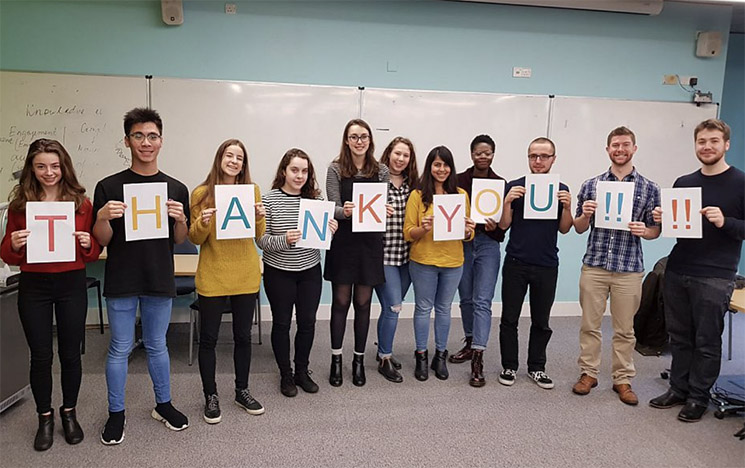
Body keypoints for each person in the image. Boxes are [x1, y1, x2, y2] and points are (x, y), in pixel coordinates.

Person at [93, 108, 190, 445]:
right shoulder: (108, 186)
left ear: (161, 141)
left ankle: (163, 405)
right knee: (119, 348)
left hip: (159, 277)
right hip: (122, 277)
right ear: (127, 141)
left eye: (152, 136)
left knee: (157, 345)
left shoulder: (176, 188)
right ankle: (115, 412)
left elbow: (179, 240)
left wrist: (180, 220)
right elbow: (102, 239)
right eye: (138, 136)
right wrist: (103, 217)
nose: (145, 142)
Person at [1, 139, 101, 451]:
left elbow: (94, 253)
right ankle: (44, 417)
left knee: (71, 353)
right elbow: (7, 254)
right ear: (32, 168)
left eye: (55, 166)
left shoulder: (81, 203)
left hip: (71, 283)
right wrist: (15, 244)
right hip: (34, 285)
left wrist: (88, 243)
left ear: (64, 167)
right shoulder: (20, 205)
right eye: (41, 166)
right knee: (41, 355)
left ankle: (68, 412)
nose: (49, 172)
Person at [649, 119, 745, 422]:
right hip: (678, 268)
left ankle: (698, 397)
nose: (707, 146)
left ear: (726, 144)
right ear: (695, 145)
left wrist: (724, 221)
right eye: (702, 141)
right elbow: (678, 228)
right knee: (679, 336)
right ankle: (678, 389)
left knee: (707, 339)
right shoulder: (684, 182)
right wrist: (662, 218)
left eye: (714, 141)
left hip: (716, 274)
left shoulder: (741, 183)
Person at [572, 126, 660, 406]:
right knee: (590, 325)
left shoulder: (649, 188)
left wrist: (644, 230)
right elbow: (577, 227)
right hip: (595, 265)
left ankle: (623, 379)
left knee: (625, 329)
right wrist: (585, 215)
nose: (619, 150)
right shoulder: (591, 185)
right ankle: (588, 373)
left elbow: (655, 230)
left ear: (634, 148)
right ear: (607, 149)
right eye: (614, 145)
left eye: (625, 145)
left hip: (629, 268)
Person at [188, 139, 266, 423]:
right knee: (208, 339)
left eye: (240, 158)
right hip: (213, 274)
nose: (234, 161)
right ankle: (211, 395)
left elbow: (258, 235)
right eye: (229, 155)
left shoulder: (251, 191)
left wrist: (260, 216)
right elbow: (195, 238)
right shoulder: (200, 194)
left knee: (242, 337)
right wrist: (204, 222)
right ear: (219, 158)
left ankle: (241, 390)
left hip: (245, 273)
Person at [257, 148, 338, 397]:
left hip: (309, 271)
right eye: (294, 170)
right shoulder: (268, 200)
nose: (299, 175)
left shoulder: (316, 200)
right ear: (284, 171)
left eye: (304, 171)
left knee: (307, 323)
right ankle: (286, 374)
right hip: (278, 272)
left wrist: (330, 229)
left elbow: (318, 238)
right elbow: (261, 241)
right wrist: (284, 240)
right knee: (281, 324)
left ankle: (302, 371)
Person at [497, 137, 572, 390]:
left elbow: (564, 229)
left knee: (541, 320)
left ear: (553, 159)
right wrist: (507, 202)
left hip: (547, 265)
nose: (538, 161)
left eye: (544, 156)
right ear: (528, 158)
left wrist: (568, 207)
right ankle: (509, 365)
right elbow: (503, 225)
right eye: (533, 156)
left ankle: (537, 367)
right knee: (509, 318)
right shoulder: (515, 186)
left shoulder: (561, 188)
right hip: (516, 263)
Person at [325, 119, 390, 387]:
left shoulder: (381, 170)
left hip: (369, 245)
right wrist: (346, 212)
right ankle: (336, 360)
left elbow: (381, 207)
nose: (359, 141)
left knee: (363, 304)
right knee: (341, 303)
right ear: (347, 140)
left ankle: (358, 361)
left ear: (370, 140)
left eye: (363, 136)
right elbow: (333, 208)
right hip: (344, 243)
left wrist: (384, 211)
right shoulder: (335, 168)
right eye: (354, 137)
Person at [404, 146, 475, 382]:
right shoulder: (417, 195)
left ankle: (440, 356)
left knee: (444, 309)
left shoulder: (461, 195)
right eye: (437, 164)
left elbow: (467, 235)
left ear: (451, 168)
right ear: (430, 167)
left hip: (453, 261)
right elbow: (407, 233)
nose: (441, 169)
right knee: (423, 308)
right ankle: (421, 355)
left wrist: (468, 231)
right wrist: (422, 229)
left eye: (445, 165)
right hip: (423, 260)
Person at [450, 134, 506, 387]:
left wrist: (494, 226)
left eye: (487, 152)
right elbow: (449, 212)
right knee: (466, 299)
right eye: (478, 152)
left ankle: (478, 357)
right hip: (462, 243)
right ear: (471, 154)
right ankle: (471, 342)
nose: (483, 156)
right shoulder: (459, 180)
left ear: (493, 154)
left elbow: (502, 230)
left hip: (488, 245)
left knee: (483, 300)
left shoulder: (500, 183)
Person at [374, 137, 419, 383]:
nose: (400, 159)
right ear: (388, 153)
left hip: (407, 257)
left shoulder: (414, 186)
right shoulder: (376, 182)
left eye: (406, 156)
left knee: (391, 308)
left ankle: (383, 348)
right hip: (383, 255)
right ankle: (385, 358)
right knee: (394, 307)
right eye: (397, 153)